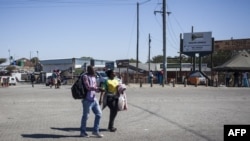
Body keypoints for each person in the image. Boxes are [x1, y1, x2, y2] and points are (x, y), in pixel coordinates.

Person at [80, 65, 104, 138]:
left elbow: (95, 87)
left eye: (94, 69)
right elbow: (88, 87)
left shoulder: (94, 77)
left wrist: (99, 90)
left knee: (99, 114)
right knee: (86, 116)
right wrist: (97, 88)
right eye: (93, 69)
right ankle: (82, 132)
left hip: (94, 99)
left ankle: (95, 131)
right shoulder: (85, 77)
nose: (94, 70)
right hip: (87, 100)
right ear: (88, 70)